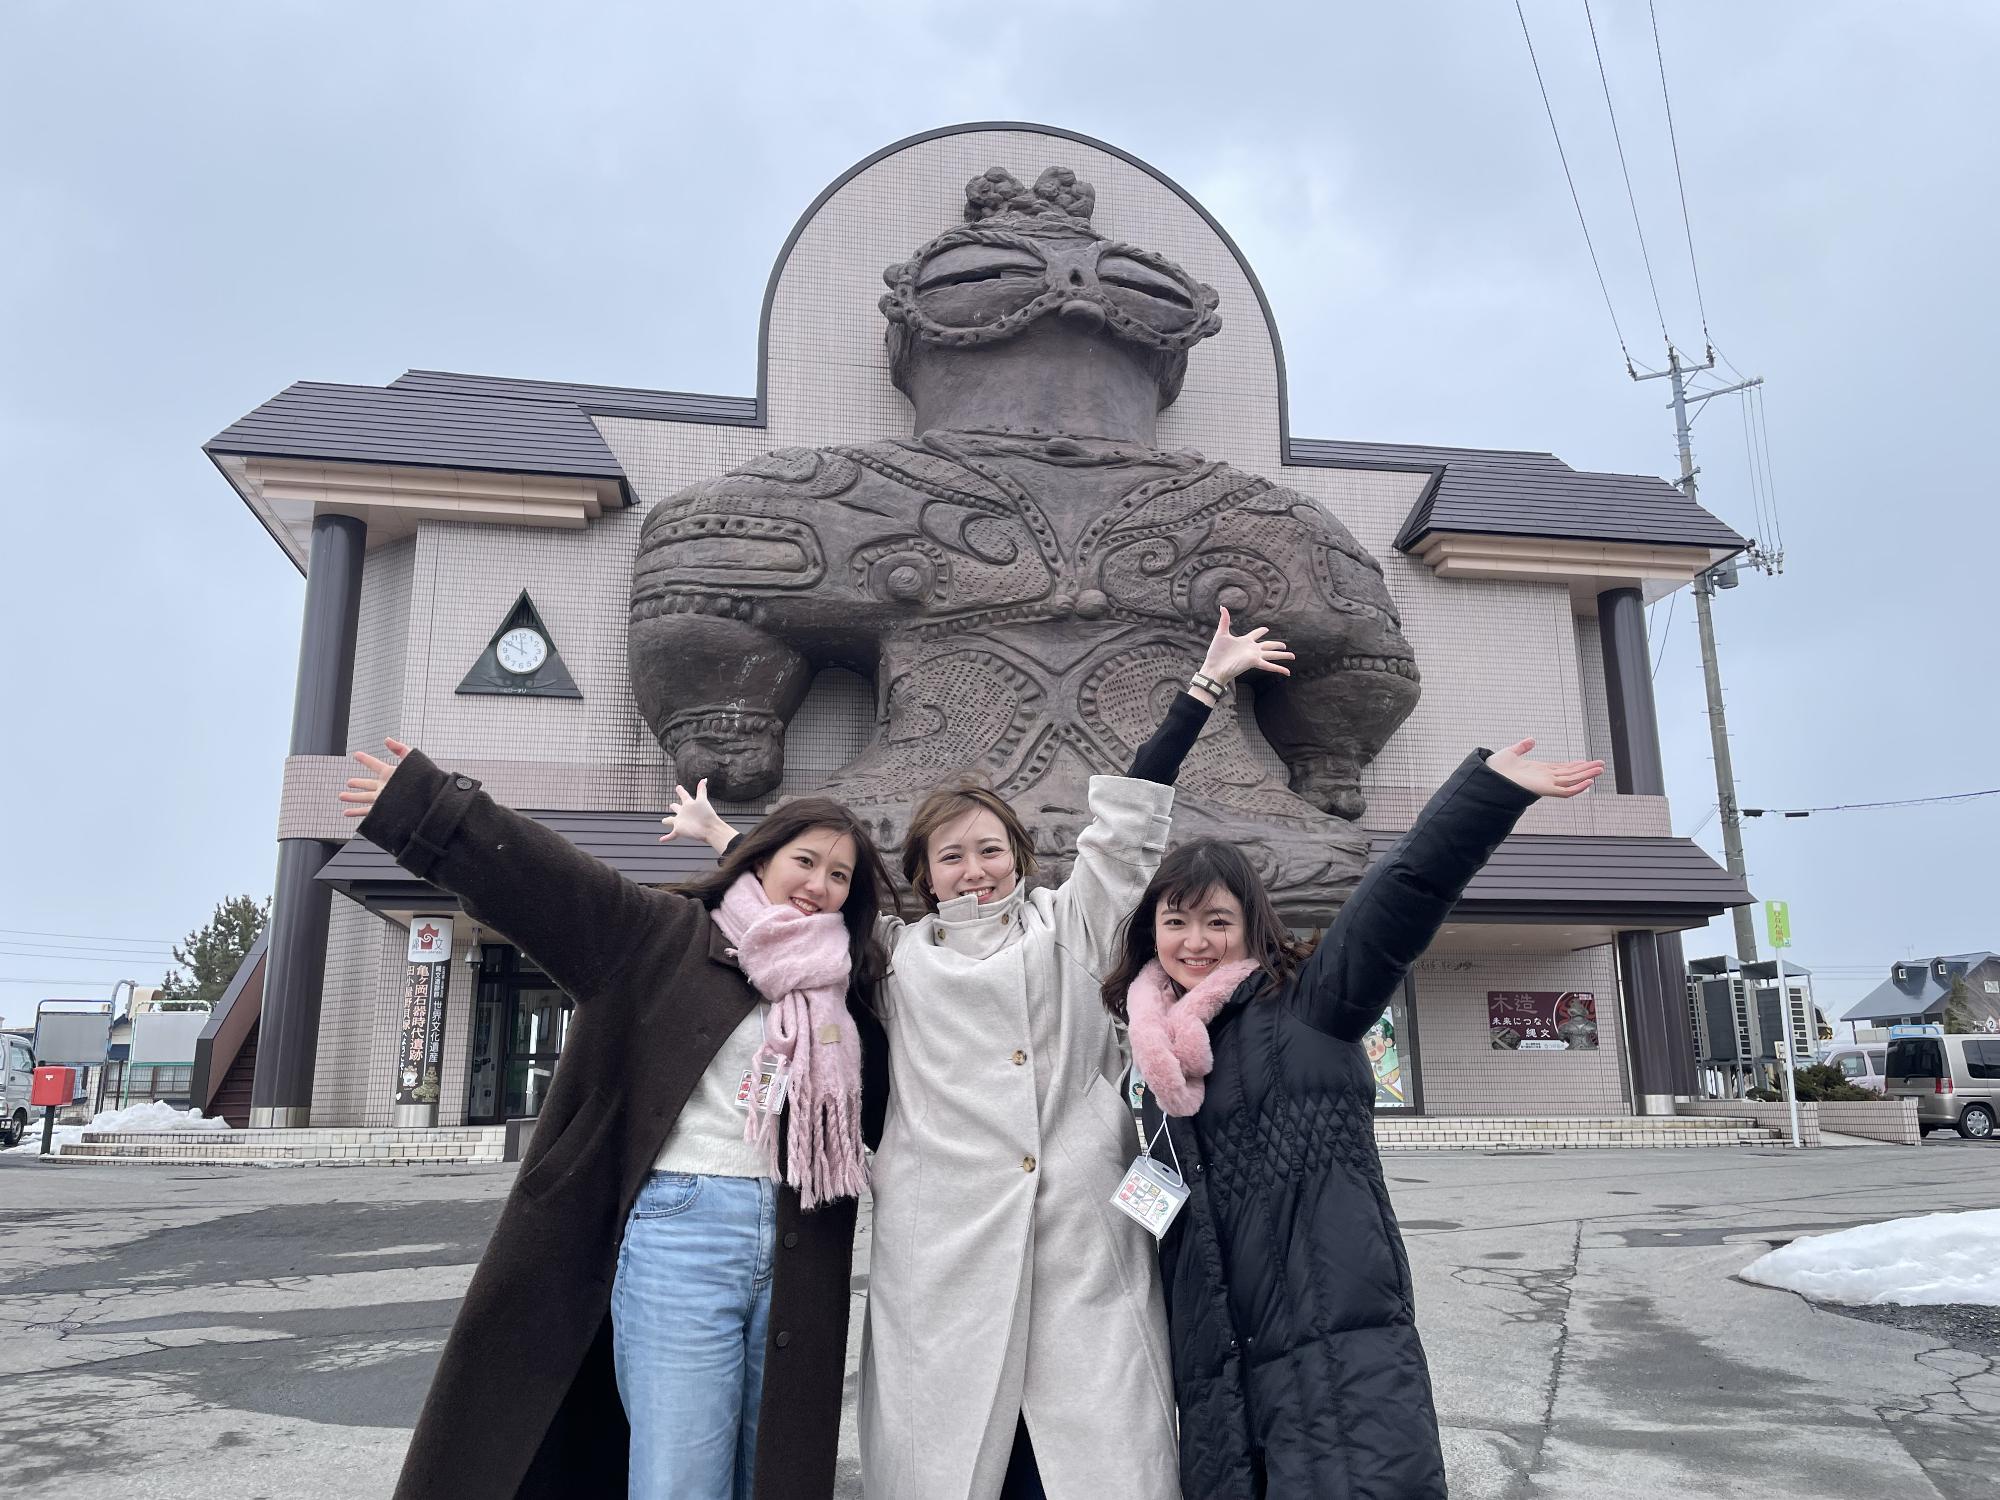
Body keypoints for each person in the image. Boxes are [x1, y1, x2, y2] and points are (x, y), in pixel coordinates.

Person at [669, 607, 1294, 1500]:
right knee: (962, 1464)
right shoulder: (893, 958)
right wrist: (726, 841)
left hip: (1081, 1238)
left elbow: (1125, 828)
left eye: (990, 850)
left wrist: (1202, 689)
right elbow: (797, 915)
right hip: (945, 1251)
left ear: (1020, 856)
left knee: (1085, 1458)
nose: (975, 870)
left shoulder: (1071, 926)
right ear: (926, 874)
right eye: (952, 856)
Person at [339, 740, 896, 1500]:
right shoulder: (661, 935)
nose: (821, 886)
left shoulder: (846, 986)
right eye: (806, 861)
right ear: (762, 859)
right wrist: (432, 808)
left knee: (771, 1473)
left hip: (803, 1242)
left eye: (841, 876)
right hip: (682, 1231)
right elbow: (548, 881)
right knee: (682, 1477)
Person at [1101, 740, 1605, 1499]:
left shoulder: (1307, 1006)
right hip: (1218, 1363)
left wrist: (1490, 792)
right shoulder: (1150, 1067)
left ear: (1251, 926)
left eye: (1216, 921)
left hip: (1332, 1342)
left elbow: (1402, 894)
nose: (1195, 943)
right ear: (1152, 935)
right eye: (1177, 922)